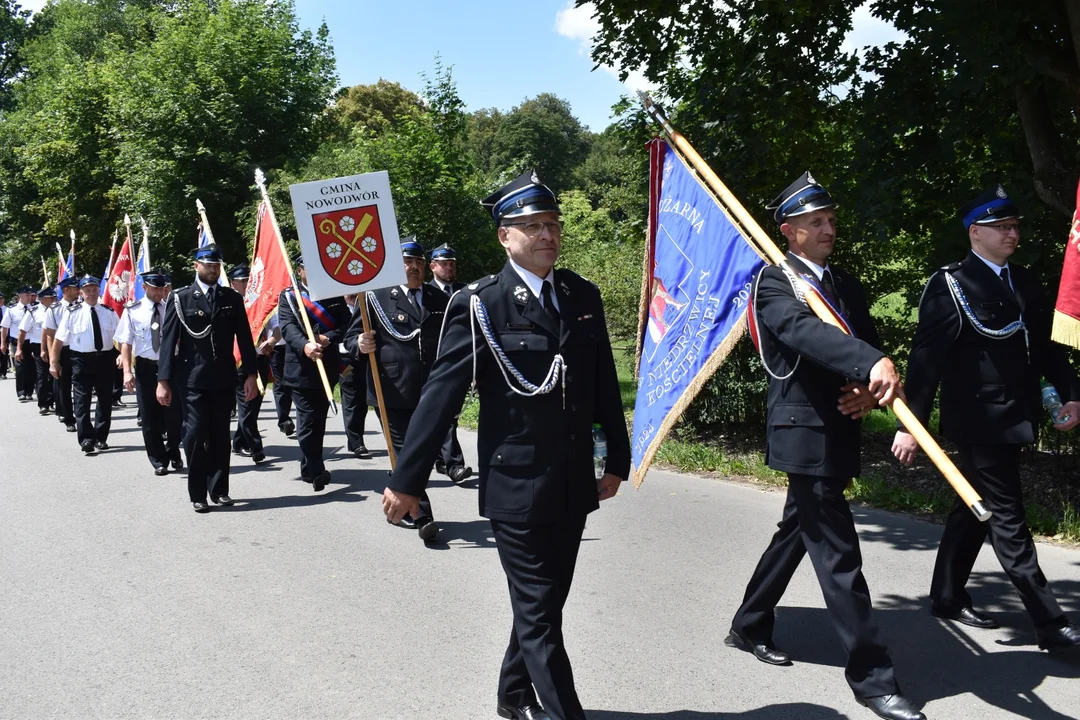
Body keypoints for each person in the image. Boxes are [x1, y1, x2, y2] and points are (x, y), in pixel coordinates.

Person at [379, 170, 630, 720]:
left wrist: (617, 458)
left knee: (545, 605)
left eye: (553, 225)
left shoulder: (580, 295)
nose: (547, 235)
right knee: (540, 613)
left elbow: (603, 384)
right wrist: (406, 480)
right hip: (515, 484)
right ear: (504, 237)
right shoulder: (479, 303)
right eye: (533, 226)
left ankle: (512, 694)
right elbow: (439, 398)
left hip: (572, 480)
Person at [726, 173, 924, 720]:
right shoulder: (774, 283)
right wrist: (868, 364)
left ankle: (748, 623)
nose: (828, 228)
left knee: (797, 533)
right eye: (815, 222)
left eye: (831, 219)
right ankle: (873, 679)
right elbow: (805, 335)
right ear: (788, 232)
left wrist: (867, 389)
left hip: (838, 428)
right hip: (803, 434)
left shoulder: (846, 284)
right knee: (839, 556)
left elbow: (856, 344)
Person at [892, 186, 1080, 651]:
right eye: (1003, 228)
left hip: (1016, 417)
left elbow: (1049, 347)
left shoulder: (1026, 281)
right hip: (978, 422)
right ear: (976, 233)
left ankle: (947, 596)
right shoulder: (951, 283)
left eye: (1015, 226)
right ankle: (1051, 625)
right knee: (1007, 519)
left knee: (972, 507)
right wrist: (910, 425)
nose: (1013, 234)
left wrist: (1072, 394)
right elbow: (925, 362)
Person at [345, 238, 450, 541]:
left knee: (425, 452)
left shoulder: (437, 298)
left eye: (418, 261)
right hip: (391, 389)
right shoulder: (375, 297)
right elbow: (350, 338)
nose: (413, 266)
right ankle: (421, 514)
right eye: (406, 261)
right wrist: (360, 344)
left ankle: (400, 505)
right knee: (405, 452)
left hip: (431, 390)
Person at [157, 243, 259, 513]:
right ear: (196, 266)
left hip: (224, 377)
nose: (212, 270)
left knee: (219, 436)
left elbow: (245, 340)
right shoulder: (180, 298)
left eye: (216, 266)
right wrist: (163, 381)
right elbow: (168, 342)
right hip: (191, 379)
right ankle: (197, 493)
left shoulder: (231, 298)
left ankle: (219, 490)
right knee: (194, 433)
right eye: (207, 265)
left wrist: (251, 374)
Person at [278, 255, 349, 490]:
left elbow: (346, 324)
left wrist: (328, 338)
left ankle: (308, 467)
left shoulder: (332, 294)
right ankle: (318, 469)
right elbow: (288, 328)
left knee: (318, 420)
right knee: (308, 420)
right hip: (300, 368)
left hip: (326, 366)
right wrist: (307, 345)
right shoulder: (289, 296)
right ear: (300, 271)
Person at [116, 268, 183, 476]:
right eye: (155, 288)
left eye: (162, 288)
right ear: (144, 287)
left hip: (171, 366)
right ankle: (158, 459)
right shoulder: (133, 311)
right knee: (150, 417)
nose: (159, 292)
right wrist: (127, 371)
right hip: (146, 367)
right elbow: (126, 343)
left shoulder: (172, 309)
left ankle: (173, 450)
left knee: (174, 415)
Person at [50, 276, 120, 455]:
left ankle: (101, 437)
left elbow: (120, 338)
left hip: (105, 359)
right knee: (82, 400)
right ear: (81, 292)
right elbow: (59, 340)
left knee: (105, 400)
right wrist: (54, 362)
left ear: (99, 291)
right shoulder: (72, 313)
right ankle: (86, 438)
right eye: (87, 290)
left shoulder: (109, 312)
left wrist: (122, 357)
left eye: (94, 289)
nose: (91, 293)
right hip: (81, 360)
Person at [427, 242, 473, 484]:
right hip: (434, 362)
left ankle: (442, 459)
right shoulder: (425, 293)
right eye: (444, 264)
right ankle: (455, 464)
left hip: (463, 360)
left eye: (452, 263)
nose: (449, 267)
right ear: (432, 266)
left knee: (449, 414)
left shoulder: (466, 292)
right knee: (444, 411)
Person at [228, 265, 273, 464]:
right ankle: (254, 447)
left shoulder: (260, 302)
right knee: (247, 404)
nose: (247, 284)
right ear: (233, 283)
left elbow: (275, 326)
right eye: (243, 281)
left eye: (249, 280)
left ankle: (238, 441)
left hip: (260, 360)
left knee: (253, 405)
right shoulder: (228, 303)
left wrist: (271, 341)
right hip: (239, 362)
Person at [44, 277, 80, 431]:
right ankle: (68, 418)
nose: (78, 290)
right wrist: (54, 359)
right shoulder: (54, 309)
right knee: (64, 386)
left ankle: (81, 416)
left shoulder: (82, 306)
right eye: (75, 288)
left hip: (80, 350)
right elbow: (50, 335)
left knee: (81, 386)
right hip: (63, 350)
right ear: (66, 290)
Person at [340, 293, 371, 459]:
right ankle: (355, 441)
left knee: (364, 400)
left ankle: (357, 436)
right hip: (346, 360)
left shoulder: (367, 305)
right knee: (351, 400)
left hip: (365, 357)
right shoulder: (338, 308)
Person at [16, 285, 56, 415]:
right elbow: (22, 331)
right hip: (39, 347)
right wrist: (19, 349)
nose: (55, 300)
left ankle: (53, 401)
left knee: (55, 375)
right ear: (43, 299)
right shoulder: (33, 312)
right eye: (51, 298)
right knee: (43, 376)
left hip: (56, 345)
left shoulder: (58, 310)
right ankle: (43, 403)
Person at [2, 286, 37, 402]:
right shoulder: (12, 310)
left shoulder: (34, 308)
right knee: (20, 367)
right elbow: (5, 327)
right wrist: (3, 343)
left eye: (30, 295)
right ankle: (21, 392)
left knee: (31, 367)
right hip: (17, 342)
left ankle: (29, 391)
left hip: (31, 342)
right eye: (26, 295)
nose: (29, 297)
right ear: (20, 296)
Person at [269, 308, 296, 438]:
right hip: (276, 347)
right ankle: (284, 421)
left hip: (295, 344)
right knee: (280, 384)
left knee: (293, 382)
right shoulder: (269, 297)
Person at [0, 290, 8, 379]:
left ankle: (3, 372)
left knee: (4, 353)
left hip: (4, 334)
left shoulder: (6, 309)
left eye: (1, 298)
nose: (0, 300)